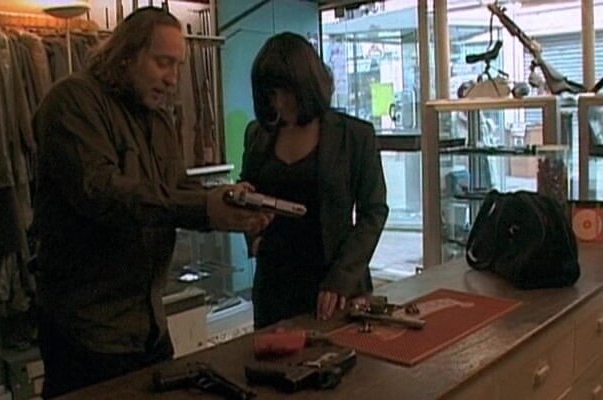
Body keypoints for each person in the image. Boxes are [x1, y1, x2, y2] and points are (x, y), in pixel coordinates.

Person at [31, 7, 272, 398]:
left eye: (177, 66)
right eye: (163, 63)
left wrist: (226, 202)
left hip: (149, 327)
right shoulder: (72, 102)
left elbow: (174, 189)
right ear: (126, 54)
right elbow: (103, 192)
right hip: (88, 333)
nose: (173, 78)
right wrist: (204, 207)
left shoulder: (157, 118)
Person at [240, 32, 389, 329]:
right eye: (271, 94)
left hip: (335, 288)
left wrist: (341, 278)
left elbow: (373, 212)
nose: (279, 103)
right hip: (274, 288)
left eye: (286, 92)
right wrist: (253, 236)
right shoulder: (258, 134)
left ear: (307, 85)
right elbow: (249, 192)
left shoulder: (355, 136)